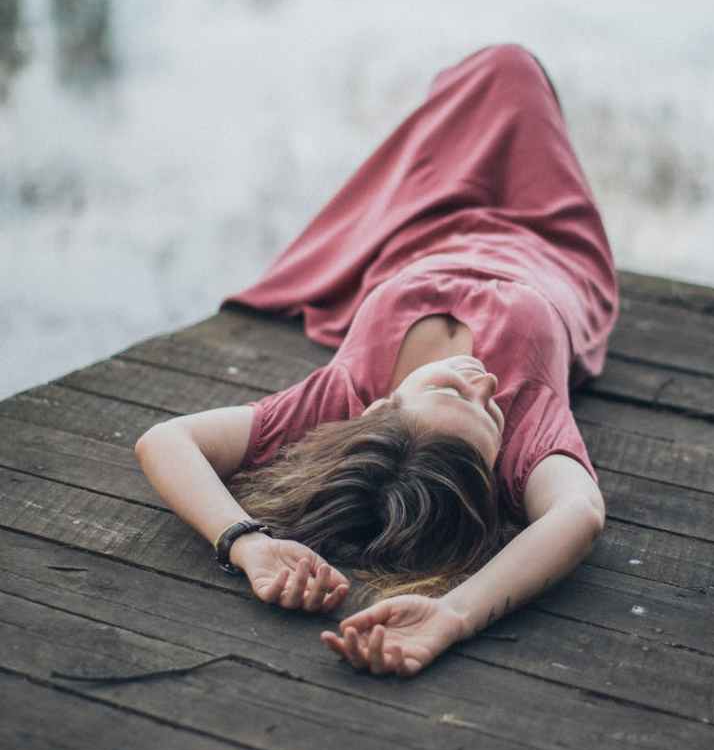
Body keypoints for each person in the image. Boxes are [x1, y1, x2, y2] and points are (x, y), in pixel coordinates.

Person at [135, 43, 619, 678]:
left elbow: (165, 439)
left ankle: (458, 95)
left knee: (483, 79)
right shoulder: (529, 414)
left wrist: (245, 543)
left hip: (424, 226)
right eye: (491, 414)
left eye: (451, 392)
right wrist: (453, 615)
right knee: (511, 68)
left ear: (384, 407)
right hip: (548, 239)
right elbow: (578, 514)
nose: (486, 385)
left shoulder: (343, 391)